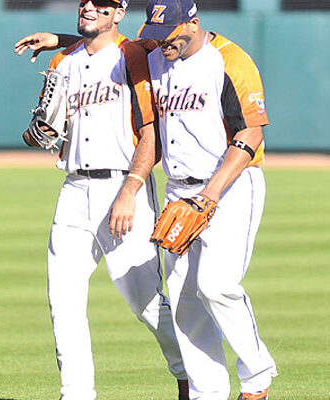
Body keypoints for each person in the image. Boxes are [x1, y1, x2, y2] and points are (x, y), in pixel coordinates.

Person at [17, 0, 278, 398]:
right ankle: (203, 392)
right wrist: (60, 41)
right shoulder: (154, 54)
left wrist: (201, 196)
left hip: (227, 185)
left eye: (168, 36)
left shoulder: (228, 60)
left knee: (213, 286)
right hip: (171, 189)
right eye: (156, 36)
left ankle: (257, 375)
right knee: (182, 300)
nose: (162, 44)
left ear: (193, 23)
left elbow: (251, 135)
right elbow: (107, 45)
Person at [14, 1, 188, 400]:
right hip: (74, 189)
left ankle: (191, 374)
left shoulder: (135, 56)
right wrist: (39, 133)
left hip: (123, 186)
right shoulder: (62, 62)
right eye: (86, 2)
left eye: (103, 4)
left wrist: (130, 191)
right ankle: (76, 393)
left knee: (144, 301)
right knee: (63, 298)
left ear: (119, 13)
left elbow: (151, 134)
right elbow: (44, 131)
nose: (90, 7)